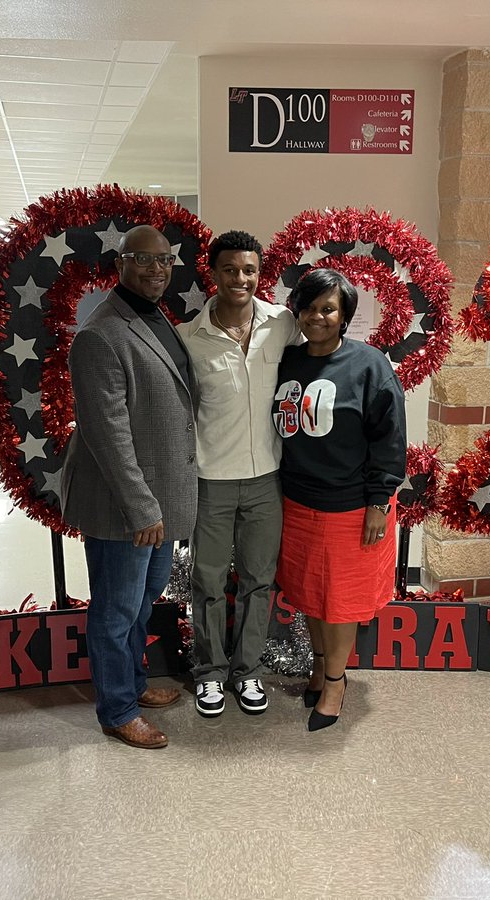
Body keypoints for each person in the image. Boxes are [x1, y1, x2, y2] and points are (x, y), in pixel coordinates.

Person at [59, 225, 196, 749]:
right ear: (120, 263)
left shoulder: (156, 319)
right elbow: (107, 434)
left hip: (156, 500)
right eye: (144, 259)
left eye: (165, 260)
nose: (157, 269)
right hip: (126, 507)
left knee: (141, 605)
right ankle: (116, 709)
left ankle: (133, 686)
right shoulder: (101, 334)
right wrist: (142, 509)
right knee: (116, 611)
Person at [272, 268, 406, 731]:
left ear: (345, 314)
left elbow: (389, 437)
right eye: (308, 307)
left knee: (340, 602)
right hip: (296, 502)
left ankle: (335, 681)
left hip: (350, 507)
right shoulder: (287, 362)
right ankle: (317, 664)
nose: (317, 317)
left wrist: (378, 500)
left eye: (328, 308)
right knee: (310, 595)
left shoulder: (369, 365)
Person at [177, 231, 300, 717]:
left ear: (259, 273)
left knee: (258, 580)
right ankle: (209, 673)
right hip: (211, 480)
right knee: (207, 582)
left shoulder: (282, 324)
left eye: (249, 270)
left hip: (267, 478)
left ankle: (247, 672)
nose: (240, 279)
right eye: (230, 270)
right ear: (214, 274)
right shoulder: (190, 338)